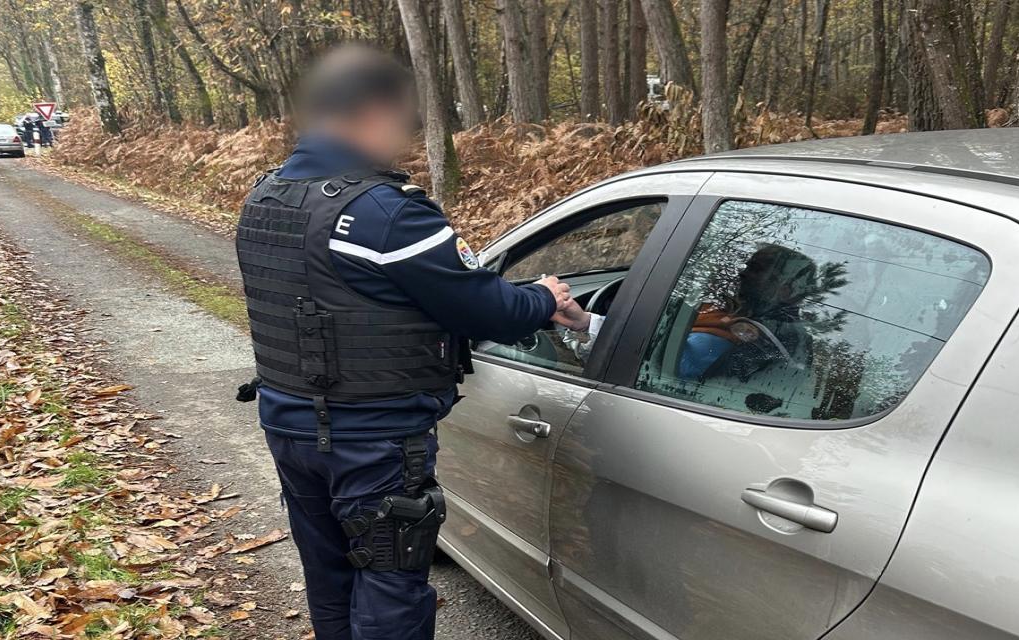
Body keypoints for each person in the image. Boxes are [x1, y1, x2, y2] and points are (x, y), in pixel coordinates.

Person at [233, 45, 570, 640]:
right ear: (372, 112)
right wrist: (544, 298)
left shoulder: (264, 198)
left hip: (287, 425)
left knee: (330, 573)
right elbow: (484, 308)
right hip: (373, 438)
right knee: (390, 583)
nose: (404, 137)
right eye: (403, 120)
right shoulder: (387, 214)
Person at [553, 244, 817, 378]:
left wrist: (590, 327)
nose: (742, 273)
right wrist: (586, 320)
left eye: (757, 269)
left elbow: (649, 354)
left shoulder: (739, 334)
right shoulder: (781, 329)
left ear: (787, 289)